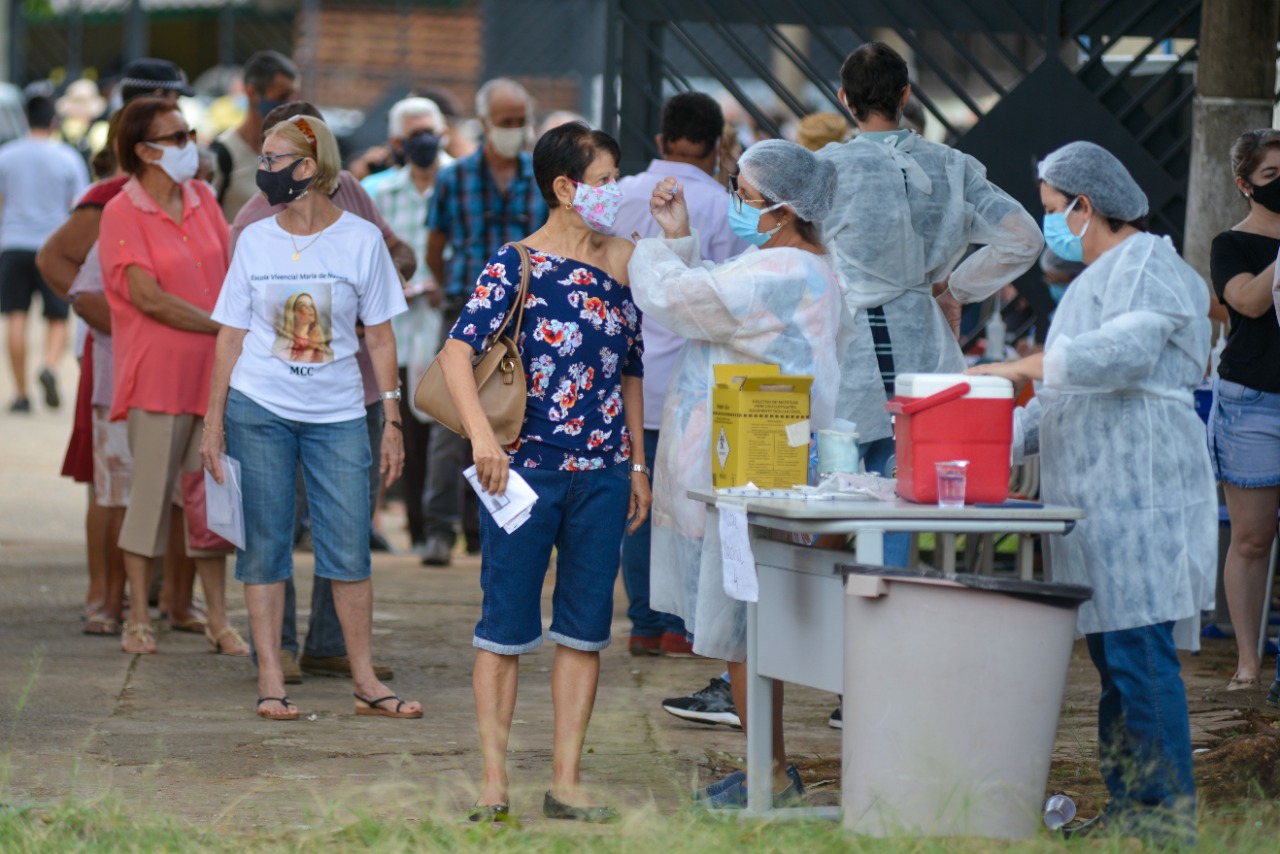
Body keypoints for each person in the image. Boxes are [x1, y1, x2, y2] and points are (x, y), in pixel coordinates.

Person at [629, 139, 888, 808]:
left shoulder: (775, 272)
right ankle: (766, 765)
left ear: (778, 206)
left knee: (742, 630)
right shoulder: (814, 269)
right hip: (777, 456)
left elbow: (677, 298)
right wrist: (682, 237)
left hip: (748, 464)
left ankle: (767, 773)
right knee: (750, 622)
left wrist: (657, 248)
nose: (737, 202)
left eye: (743, 192)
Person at [968, 141, 1213, 844]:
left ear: (1087, 204)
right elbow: (1058, 393)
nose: (1050, 225)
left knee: (1140, 657)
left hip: (1142, 495)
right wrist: (997, 439)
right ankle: (1131, 807)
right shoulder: (1092, 280)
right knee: (1114, 661)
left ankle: (1168, 823)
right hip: (1100, 502)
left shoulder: (1153, 270)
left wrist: (1021, 366)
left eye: (1052, 211)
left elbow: (1121, 355)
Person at [436, 121, 647, 823]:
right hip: (522, 473)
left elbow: (631, 372)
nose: (617, 193)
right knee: (503, 629)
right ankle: (494, 785)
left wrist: (637, 463)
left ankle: (566, 784)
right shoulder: (515, 263)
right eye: (607, 180)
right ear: (566, 187)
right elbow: (454, 356)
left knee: (585, 630)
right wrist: (481, 442)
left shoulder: (624, 262)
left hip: (605, 472)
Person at [201, 114, 419, 723]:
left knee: (349, 549)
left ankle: (364, 679)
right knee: (265, 548)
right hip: (259, 408)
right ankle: (272, 677)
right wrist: (212, 421)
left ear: (308, 167)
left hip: (341, 415)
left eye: (273, 161)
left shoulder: (360, 239)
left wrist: (394, 420)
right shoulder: (255, 238)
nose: (262, 171)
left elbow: (379, 338)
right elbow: (228, 336)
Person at [818, 42, 1042, 486]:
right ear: (905, 96)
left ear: (844, 98)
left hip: (850, 351)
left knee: (835, 491)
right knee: (913, 483)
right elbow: (1025, 237)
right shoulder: (950, 167)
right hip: (925, 348)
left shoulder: (829, 168)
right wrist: (955, 288)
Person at [98, 97, 249, 657]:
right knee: (151, 497)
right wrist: (222, 328)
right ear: (144, 150)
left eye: (190, 132)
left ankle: (217, 618)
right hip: (158, 377)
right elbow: (147, 298)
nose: (191, 143)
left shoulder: (203, 196)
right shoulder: (122, 210)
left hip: (210, 378)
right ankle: (138, 616)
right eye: (177, 135)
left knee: (209, 500)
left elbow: (233, 271)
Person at [609, 91, 749, 659]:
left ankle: (643, 624)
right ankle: (686, 628)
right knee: (691, 506)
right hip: (696, 381)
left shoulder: (619, 195)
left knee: (638, 498)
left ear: (663, 141)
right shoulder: (725, 204)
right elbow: (735, 292)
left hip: (626, 375)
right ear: (717, 148)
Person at [422, 77, 549, 566]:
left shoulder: (536, 175)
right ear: (484, 123)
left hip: (522, 314)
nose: (515, 131)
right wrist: (455, 290)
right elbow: (436, 246)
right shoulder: (455, 177)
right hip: (465, 309)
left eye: (521, 123)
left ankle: (492, 523)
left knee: (511, 415)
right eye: (507, 123)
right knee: (448, 416)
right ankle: (440, 528)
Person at [1207, 129, 1280, 692]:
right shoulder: (1231, 244)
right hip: (1252, 403)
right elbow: (1249, 301)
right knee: (1252, 538)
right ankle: (1248, 663)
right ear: (1244, 185)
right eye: (1272, 177)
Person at [368, 97, 451, 556]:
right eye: (413, 133)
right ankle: (415, 530)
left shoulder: (458, 179)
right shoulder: (377, 192)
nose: (424, 141)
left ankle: (446, 527)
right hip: (394, 326)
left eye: (430, 130)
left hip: (445, 320)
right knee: (401, 428)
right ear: (398, 142)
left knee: (443, 425)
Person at [0, 94, 90, 412]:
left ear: (26, 119)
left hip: (13, 243)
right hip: (53, 248)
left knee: (16, 316)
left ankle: (21, 394)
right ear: (54, 121)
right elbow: (79, 205)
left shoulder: (6, 155)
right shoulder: (67, 157)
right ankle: (50, 366)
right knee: (57, 315)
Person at [209, 51, 301, 221]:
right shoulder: (223, 154)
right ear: (252, 93)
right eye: (282, 96)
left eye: (294, 96)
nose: (291, 104)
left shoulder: (295, 151)